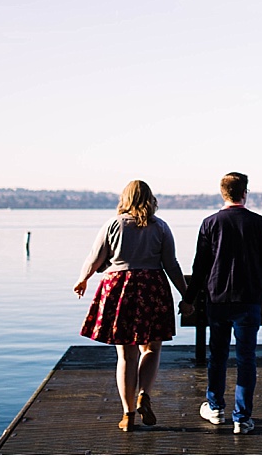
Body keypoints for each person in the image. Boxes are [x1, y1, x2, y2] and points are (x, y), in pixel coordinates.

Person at [75, 180, 188, 432]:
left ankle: (128, 415)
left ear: (124, 198)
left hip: (119, 287)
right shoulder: (160, 227)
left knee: (126, 355)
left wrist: (83, 278)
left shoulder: (113, 224)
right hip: (152, 287)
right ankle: (145, 395)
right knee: (152, 347)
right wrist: (186, 294)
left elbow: (95, 258)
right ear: (150, 198)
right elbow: (171, 264)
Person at [179, 172, 262, 435]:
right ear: (244, 192)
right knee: (247, 359)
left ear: (223, 193)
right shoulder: (258, 223)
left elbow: (200, 267)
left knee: (218, 356)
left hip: (218, 299)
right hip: (249, 300)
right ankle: (242, 418)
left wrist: (189, 299)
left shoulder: (210, 223)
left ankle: (215, 408)